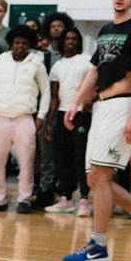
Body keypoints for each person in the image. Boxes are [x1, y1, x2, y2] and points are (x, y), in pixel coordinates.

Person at [60, 0, 131, 261]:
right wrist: (76, 103)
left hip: (122, 105)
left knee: (101, 178)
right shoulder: (105, 31)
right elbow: (93, 72)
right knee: (94, 179)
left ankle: (98, 245)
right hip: (101, 108)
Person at [0, 25, 50, 213]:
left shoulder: (37, 64)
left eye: (24, 43)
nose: (20, 45)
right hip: (1, 118)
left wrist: (41, 116)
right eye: (16, 42)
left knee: (27, 161)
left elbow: (46, 92)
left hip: (24, 118)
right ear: (11, 43)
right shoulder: (0, 63)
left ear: (29, 45)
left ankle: (24, 199)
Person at [45, 28, 93, 216]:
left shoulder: (87, 61)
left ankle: (84, 199)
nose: (70, 41)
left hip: (81, 114)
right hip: (62, 114)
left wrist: (91, 99)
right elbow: (55, 97)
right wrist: (50, 121)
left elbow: (96, 85)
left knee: (80, 157)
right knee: (62, 157)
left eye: (74, 38)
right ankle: (66, 197)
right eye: (67, 38)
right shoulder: (57, 66)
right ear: (62, 42)